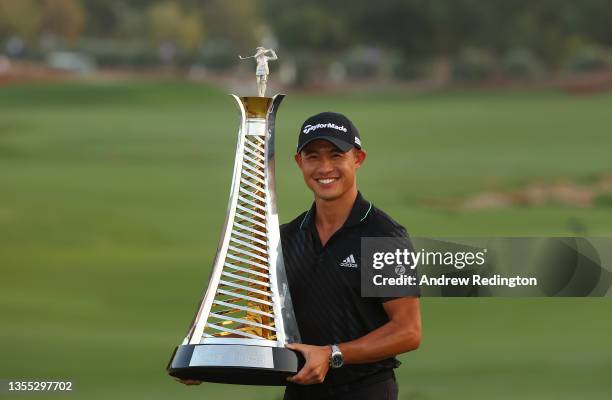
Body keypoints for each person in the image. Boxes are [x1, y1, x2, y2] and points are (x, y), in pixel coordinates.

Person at [281, 112, 421, 400]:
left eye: (336, 155)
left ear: (358, 159)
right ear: (299, 162)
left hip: (364, 391)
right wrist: (207, 362)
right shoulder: (287, 237)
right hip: (299, 391)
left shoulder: (382, 237)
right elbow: (265, 322)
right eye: (313, 157)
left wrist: (332, 354)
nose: (324, 168)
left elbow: (408, 331)